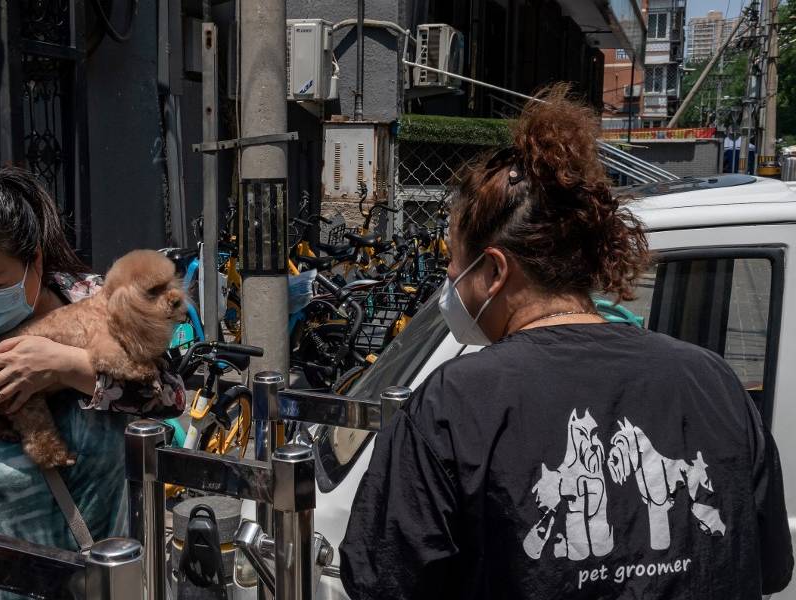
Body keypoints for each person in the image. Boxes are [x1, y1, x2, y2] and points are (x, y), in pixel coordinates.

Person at [340, 86, 793, 599]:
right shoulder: (714, 383)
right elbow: (770, 567)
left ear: (492, 271)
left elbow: (385, 582)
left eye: (453, 259)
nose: (448, 276)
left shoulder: (452, 408)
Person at [0, 167, 184, 599]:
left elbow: (170, 396)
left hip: (125, 580)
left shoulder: (98, 303)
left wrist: (68, 366)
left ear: (36, 262)